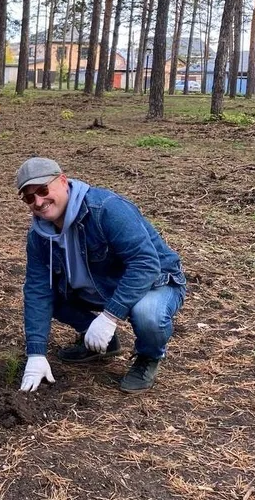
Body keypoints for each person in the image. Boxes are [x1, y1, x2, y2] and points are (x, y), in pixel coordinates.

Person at [16, 157, 186, 393]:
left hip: (155, 280)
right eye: (29, 197)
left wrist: (109, 317)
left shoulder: (105, 208)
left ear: (63, 181)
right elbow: (37, 289)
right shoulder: (39, 236)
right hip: (101, 284)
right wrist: (35, 353)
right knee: (48, 296)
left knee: (148, 315)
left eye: (43, 190)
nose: (39, 201)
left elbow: (146, 263)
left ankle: (148, 357)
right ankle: (96, 341)